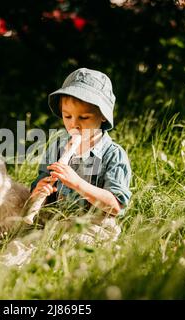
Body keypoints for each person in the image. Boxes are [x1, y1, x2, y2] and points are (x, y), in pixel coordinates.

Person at [30, 68, 132, 243]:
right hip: (57, 222)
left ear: (103, 117)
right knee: (24, 241)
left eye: (83, 117)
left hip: (94, 227)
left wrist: (76, 183)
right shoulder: (57, 148)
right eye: (67, 116)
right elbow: (41, 191)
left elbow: (115, 206)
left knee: (72, 243)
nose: (73, 124)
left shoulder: (113, 154)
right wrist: (40, 191)